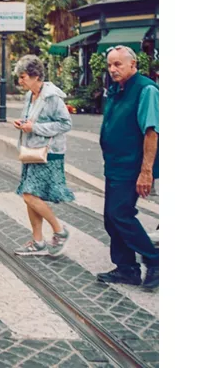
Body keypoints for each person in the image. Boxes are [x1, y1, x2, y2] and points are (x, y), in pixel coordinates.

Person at [96, 46, 159, 290]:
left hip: (132, 166)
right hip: (115, 164)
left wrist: (146, 172)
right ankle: (126, 269)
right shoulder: (116, 90)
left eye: (118, 64)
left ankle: (154, 260)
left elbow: (152, 131)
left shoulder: (146, 89)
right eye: (110, 65)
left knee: (120, 214)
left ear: (133, 65)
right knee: (112, 218)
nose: (112, 69)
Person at [11, 55, 74, 257]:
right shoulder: (31, 95)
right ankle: (38, 242)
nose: (20, 81)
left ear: (36, 75)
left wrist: (35, 127)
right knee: (31, 197)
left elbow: (66, 124)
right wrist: (24, 123)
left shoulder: (52, 96)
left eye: (23, 77)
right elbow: (33, 120)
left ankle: (59, 231)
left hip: (49, 153)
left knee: (29, 195)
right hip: (32, 151)